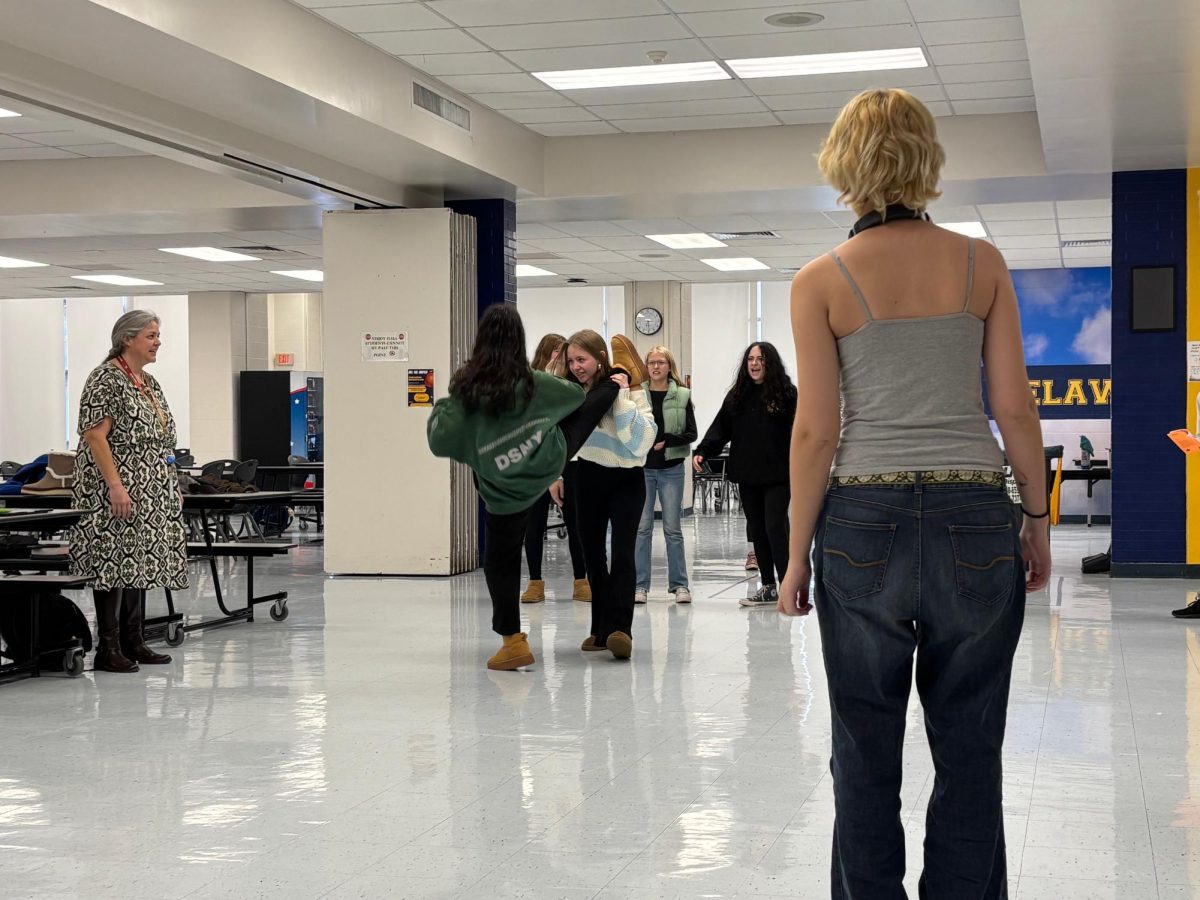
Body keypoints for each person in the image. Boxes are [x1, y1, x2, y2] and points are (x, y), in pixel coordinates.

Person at [777, 88, 1051, 897]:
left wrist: (796, 557)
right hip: (975, 512)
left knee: (863, 747)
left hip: (863, 518)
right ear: (927, 160)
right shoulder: (982, 264)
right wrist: (1034, 521)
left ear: (843, 164)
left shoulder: (819, 280)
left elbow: (815, 434)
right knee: (971, 746)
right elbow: (1014, 408)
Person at [426, 307, 634, 671]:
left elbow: (438, 439)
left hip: (503, 489)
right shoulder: (534, 382)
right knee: (584, 412)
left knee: (500, 561)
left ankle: (512, 642)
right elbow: (574, 398)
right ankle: (615, 378)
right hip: (546, 464)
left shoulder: (467, 394)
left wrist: (454, 396)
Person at [70, 310, 187, 673]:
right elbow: (94, 435)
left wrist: (172, 480)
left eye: (158, 335)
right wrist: (116, 486)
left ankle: (134, 640)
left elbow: (163, 439)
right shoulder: (106, 378)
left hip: (151, 489)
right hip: (115, 490)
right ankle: (108, 647)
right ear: (128, 339)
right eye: (151, 335)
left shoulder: (148, 382)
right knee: (114, 562)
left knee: (140, 561)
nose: (158, 341)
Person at [561, 330, 656, 660]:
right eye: (571, 360)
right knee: (592, 556)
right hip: (588, 475)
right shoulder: (575, 393)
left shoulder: (631, 392)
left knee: (623, 553)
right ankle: (600, 630)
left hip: (628, 479)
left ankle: (621, 630)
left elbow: (640, 442)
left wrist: (624, 394)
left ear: (600, 358)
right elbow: (566, 435)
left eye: (582, 359)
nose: (576, 366)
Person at [693, 342, 796, 607]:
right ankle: (768, 586)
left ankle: (787, 585)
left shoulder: (787, 394)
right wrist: (703, 450)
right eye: (750, 358)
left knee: (775, 525)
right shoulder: (737, 395)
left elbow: (800, 432)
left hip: (779, 473)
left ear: (769, 362)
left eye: (760, 358)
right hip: (748, 473)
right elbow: (720, 428)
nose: (754, 363)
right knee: (758, 529)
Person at [520, 333, 590, 604]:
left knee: (576, 524)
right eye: (559, 355)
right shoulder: (531, 385)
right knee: (534, 525)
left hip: (571, 463)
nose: (565, 362)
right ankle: (535, 582)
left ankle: (581, 580)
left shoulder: (573, 387)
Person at [634, 346, 697, 605]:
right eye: (651, 363)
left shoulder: (682, 395)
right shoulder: (637, 394)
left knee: (673, 529)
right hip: (643, 468)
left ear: (669, 366)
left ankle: (680, 586)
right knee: (642, 529)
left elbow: (692, 433)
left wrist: (668, 441)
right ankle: (640, 586)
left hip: (671, 468)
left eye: (661, 362)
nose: (656, 367)